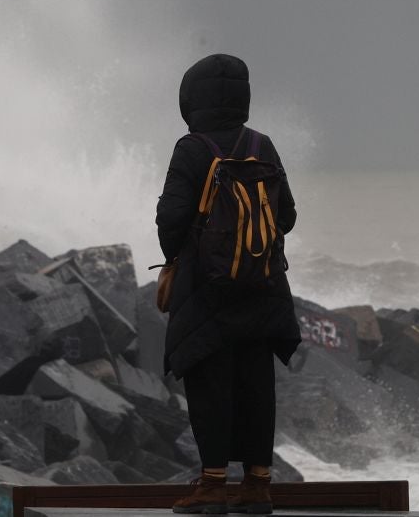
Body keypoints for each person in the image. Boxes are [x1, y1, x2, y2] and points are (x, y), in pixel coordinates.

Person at [157, 53, 301, 515]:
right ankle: (258, 485)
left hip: (208, 290)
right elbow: (288, 217)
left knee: (209, 383)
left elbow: (173, 218)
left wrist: (174, 258)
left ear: (192, 98)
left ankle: (213, 485)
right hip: (264, 287)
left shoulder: (192, 148)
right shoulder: (263, 144)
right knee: (257, 383)